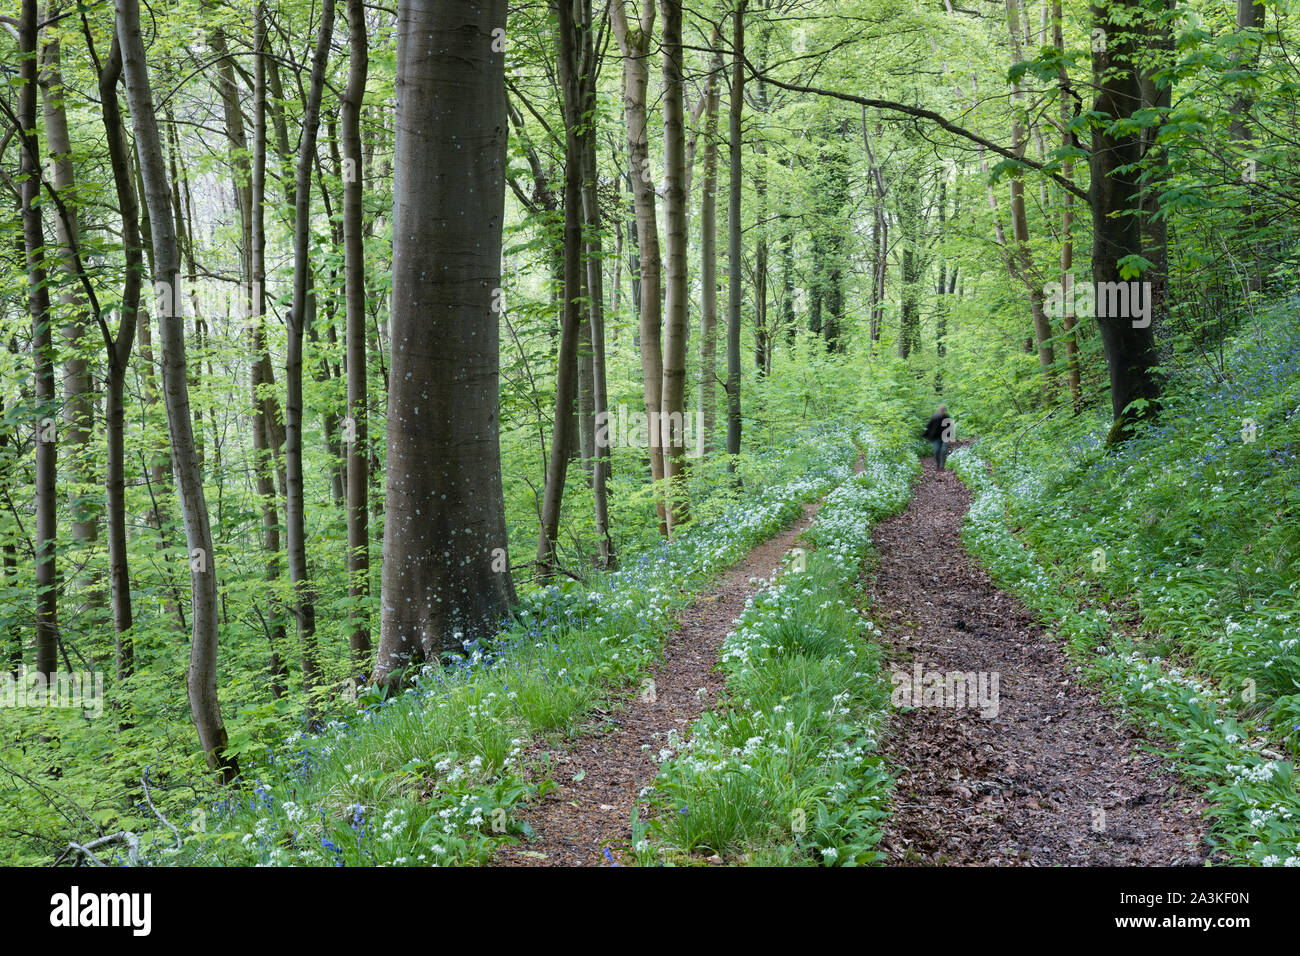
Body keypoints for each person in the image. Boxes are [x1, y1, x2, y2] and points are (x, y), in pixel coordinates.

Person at [922, 404, 952, 470]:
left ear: (945, 410)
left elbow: (950, 427)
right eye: (941, 409)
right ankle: (938, 465)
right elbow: (929, 426)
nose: (942, 411)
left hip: (945, 436)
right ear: (939, 410)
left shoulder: (947, 417)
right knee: (936, 450)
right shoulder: (934, 417)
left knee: (944, 450)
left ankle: (942, 465)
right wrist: (925, 435)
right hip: (935, 437)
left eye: (943, 410)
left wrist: (950, 436)